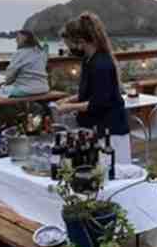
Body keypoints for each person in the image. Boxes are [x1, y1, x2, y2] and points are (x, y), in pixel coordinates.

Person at [55, 12, 131, 164]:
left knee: (113, 172)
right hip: (95, 129)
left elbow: (98, 102)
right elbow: (90, 92)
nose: (69, 49)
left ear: (81, 42)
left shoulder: (101, 64)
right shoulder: (88, 60)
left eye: (69, 45)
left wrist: (68, 108)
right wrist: (68, 99)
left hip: (110, 132)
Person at [0, 30, 50, 98]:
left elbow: (10, 74)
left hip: (27, 90)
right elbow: (44, 59)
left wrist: (5, 83)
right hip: (44, 88)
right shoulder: (39, 52)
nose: (16, 40)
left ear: (24, 40)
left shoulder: (19, 53)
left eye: (18, 38)